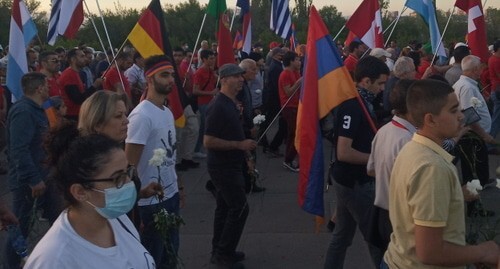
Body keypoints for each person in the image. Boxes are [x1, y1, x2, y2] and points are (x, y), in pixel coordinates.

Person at [383, 79, 500, 268]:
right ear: (430, 119)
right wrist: (483, 251)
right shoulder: (431, 168)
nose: (461, 117)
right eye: (453, 110)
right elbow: (430, 252)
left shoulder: (414, 148)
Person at [24, 128, 155, 268]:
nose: (129, 182)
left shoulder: (116, 219)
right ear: (80, 192)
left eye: (127, 172)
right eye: (118, 178)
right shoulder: (54, 259)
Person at [324, 56, 390, 269]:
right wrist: (377, 159)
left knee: (342, 234)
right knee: (375, 237)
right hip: (355, 182)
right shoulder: (352, 105)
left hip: (350, 180)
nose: (382, 89)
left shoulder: (363, 102)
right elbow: (344, 152)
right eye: (380, 83)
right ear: (365, 81)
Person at [125, 55, 184, 267]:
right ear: (149, 79)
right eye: (164, 75)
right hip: (149, 203)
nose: (170, 80)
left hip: (170, 195)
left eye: (172, 75)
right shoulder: (141, 115)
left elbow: (170, 153)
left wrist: (178, 186)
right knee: (152, 258)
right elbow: (129, 165)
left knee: (170, 255)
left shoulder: (166, 111)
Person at [204, 63, 256, 268]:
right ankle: (223, 254)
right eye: (236, 77)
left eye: (241, 76)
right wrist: (239, 145)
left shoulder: (231, 103)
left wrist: (246, 156)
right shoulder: (218, 106)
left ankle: (221, 249)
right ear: (224, 80)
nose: (241, 80)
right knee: (240, 208)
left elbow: (236, 132)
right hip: (222, 167)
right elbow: (208, 141)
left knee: (225, 208)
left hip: (232, 164)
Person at [3, 72, 52, 269]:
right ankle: (10, 265)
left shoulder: (37, 109)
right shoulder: (24, 112)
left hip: (43, 176)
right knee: (19, 227)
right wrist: (33, 179)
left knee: (58, 217)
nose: (49, 88)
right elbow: (19, 149)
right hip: (28, 182)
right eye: (46, 85)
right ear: (39, 88)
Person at [366, 79, 417, 254]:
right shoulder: (409, 140)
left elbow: (371, 169)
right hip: (400, 217)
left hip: (383, 211)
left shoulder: (384, 130)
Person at [453, 55, 496, 187]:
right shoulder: (467, 87)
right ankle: (474, 188)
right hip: (472, 133)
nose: (481, 72)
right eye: (479, 69)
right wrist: (484, 135)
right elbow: (469, 115)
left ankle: (481, 181)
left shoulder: (466, 84)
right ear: (475, 69)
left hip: (474, 132)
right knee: (471, 162)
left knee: (478, 159)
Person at [58, 48, 102, 121]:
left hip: (78, 114)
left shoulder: (75, 73)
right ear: (73, 59)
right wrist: (94, 86)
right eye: (82, 56)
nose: (85, 59)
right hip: (72, 116)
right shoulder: (69, 75)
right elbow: (77, 99)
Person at [278, 51, 302, 172]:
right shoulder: (285, 74)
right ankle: (288, 160)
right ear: (291, 61)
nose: (299, 62)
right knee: (292, 134)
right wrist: (299, 81)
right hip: (289, 107)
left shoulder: (295, 72)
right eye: (297, 60)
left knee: (296, 133)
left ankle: (293, 157)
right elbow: (288, 92)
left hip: (296, 105)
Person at [192, 49, 218, 158]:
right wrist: (210, 93)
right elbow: (195, 91)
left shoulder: (211, 71)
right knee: (203, 126)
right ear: (203, 59)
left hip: (211, 102)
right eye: (211, 58)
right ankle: (196, 149)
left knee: (209, 125)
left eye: (214, 58)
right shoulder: (199, 72)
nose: (213, 60)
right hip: (203, 103)